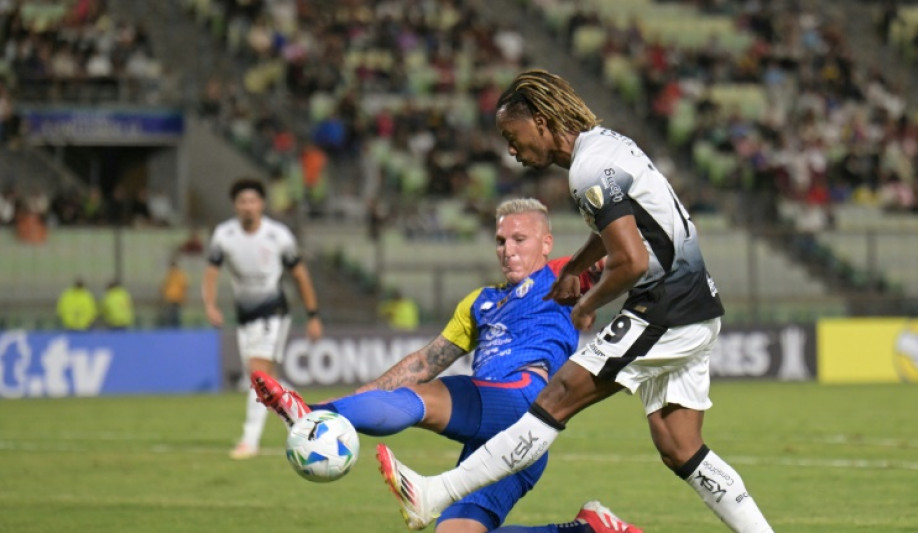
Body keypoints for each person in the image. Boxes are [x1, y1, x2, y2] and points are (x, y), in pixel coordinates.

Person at [376, 70, 775, 533]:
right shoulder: (605, 144)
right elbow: (627, 226)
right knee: (680, 446)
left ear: (542, 121)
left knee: (556, 397)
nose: (511, 149)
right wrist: (572, 268)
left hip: (666, 306)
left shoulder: (586, 171)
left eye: (513, 135)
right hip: (693, 299)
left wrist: (589, 303)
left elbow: (630, 259)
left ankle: (435, 494)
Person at [252, 198, 642, 533]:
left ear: (546, 244)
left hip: (525, 404)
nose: (508, 250)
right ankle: (588, 529)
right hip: (499, 442)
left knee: (428, 399)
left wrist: (594, 294)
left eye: (519, 240)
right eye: (501, 241)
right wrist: (358, 399)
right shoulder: (480, 302)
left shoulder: (563, 275)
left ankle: (311, 411)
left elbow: (628, 252)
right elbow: (425, 361)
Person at [202, 178, 324, 460]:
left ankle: (249, 440)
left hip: (274, 312)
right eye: (242, 201)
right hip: (245, 316)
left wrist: (313, 314)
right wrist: (209, 304)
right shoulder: (224, 235)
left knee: (258, 375)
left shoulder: (278, 235)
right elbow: (211, 272)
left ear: (262, 204)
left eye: (252, 201)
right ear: (236, 205)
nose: (248, 206)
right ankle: (310, 419)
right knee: (269, 380)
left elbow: (300, 275)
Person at [159, 258, 188, 328]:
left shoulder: (171, 275)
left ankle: (172, 328)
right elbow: (185, 287)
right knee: (174, 315)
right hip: (176, 298)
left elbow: (164, 286)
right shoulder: (179, 275)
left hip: (172, 298)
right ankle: (175, 328)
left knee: (172, 315)